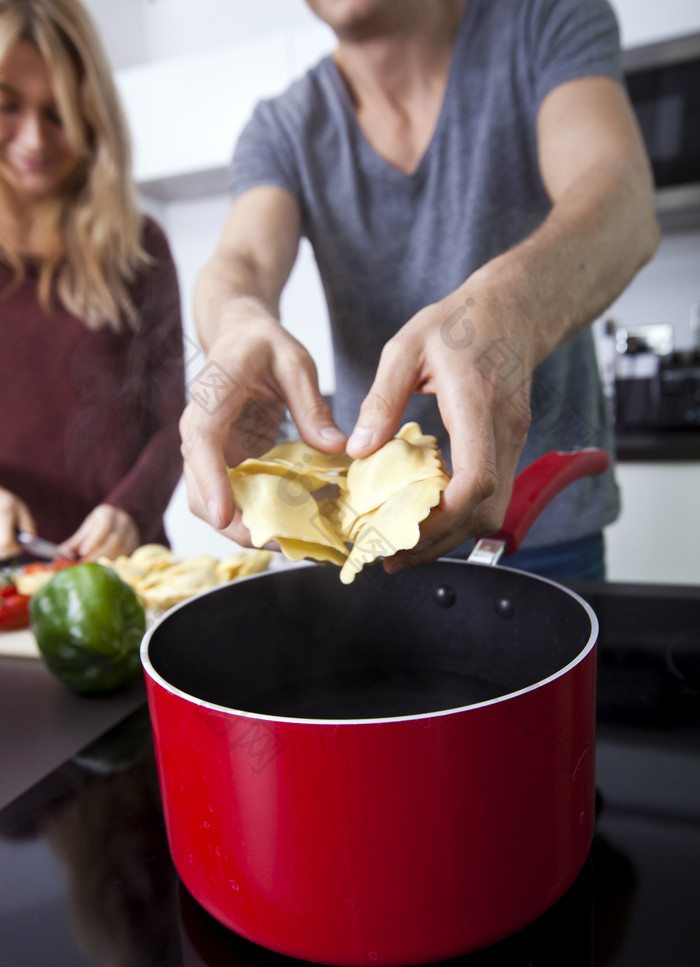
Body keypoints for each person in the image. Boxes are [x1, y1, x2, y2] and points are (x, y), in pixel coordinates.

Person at [180, 0, 660, 580]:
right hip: (376, 546)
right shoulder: (279, 127)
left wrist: (511, 302)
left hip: (542, 521)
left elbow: (622, 197)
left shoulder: (547, 18)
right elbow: (243, 261)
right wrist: (236, 324)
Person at [0, 0, 185, 562]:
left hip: (123, 578)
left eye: (59, 114)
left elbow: (175, 421)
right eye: (8, 106)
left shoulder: (141, 248)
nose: (34, 140)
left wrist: (129, 511)